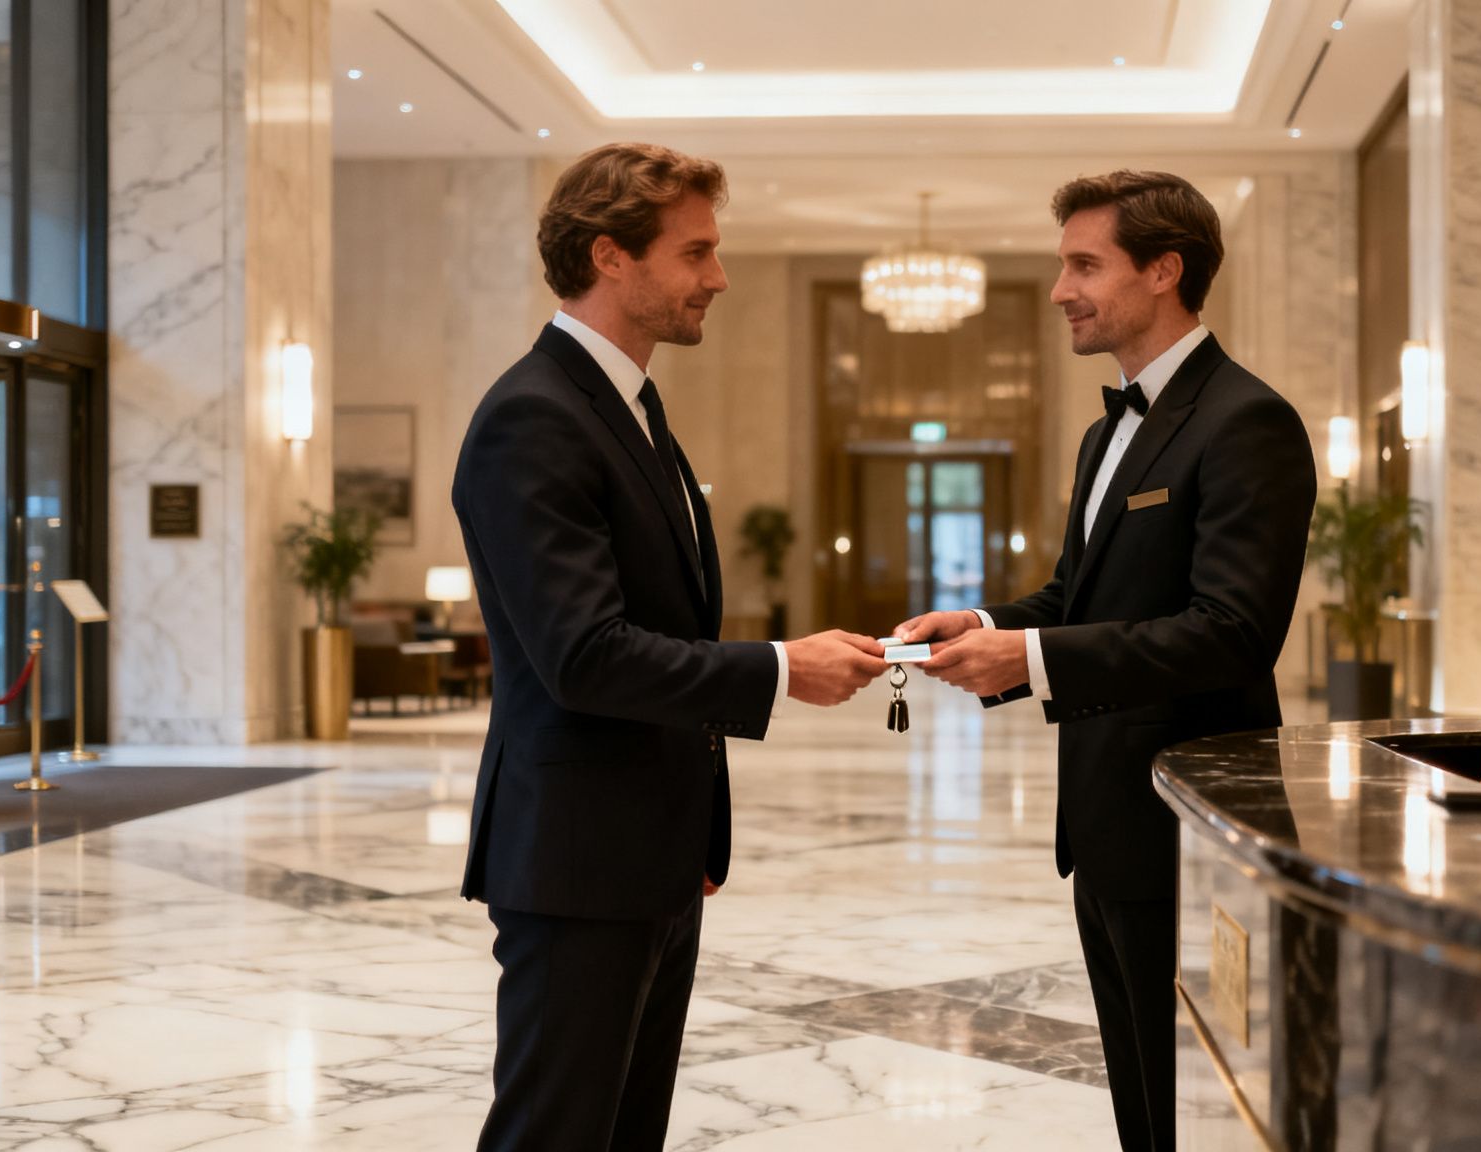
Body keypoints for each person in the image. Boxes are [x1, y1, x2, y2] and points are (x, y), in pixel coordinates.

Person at [451, 142, 887, 1152]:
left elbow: (656, 625)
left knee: (624, 1131)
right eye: (695, 253)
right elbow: (585, 656)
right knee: (555, 1132)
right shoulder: (533, 416)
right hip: (576, 858)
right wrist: (780, 670)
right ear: (611, 256)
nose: (718, 278)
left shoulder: (629, 408)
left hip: (647, 852)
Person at [895, 169, 1317, 1151]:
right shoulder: (1103, 436)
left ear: (1164, 270)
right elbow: (1073, 601)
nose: (1059, 292)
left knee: (1193, 1096)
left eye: (1083, 266)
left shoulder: (1247, 421)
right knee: (1137, 1088)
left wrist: (1030, 658)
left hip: (1190, 815)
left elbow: (1232, 630)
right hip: (1105, 817)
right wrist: (977, 620)